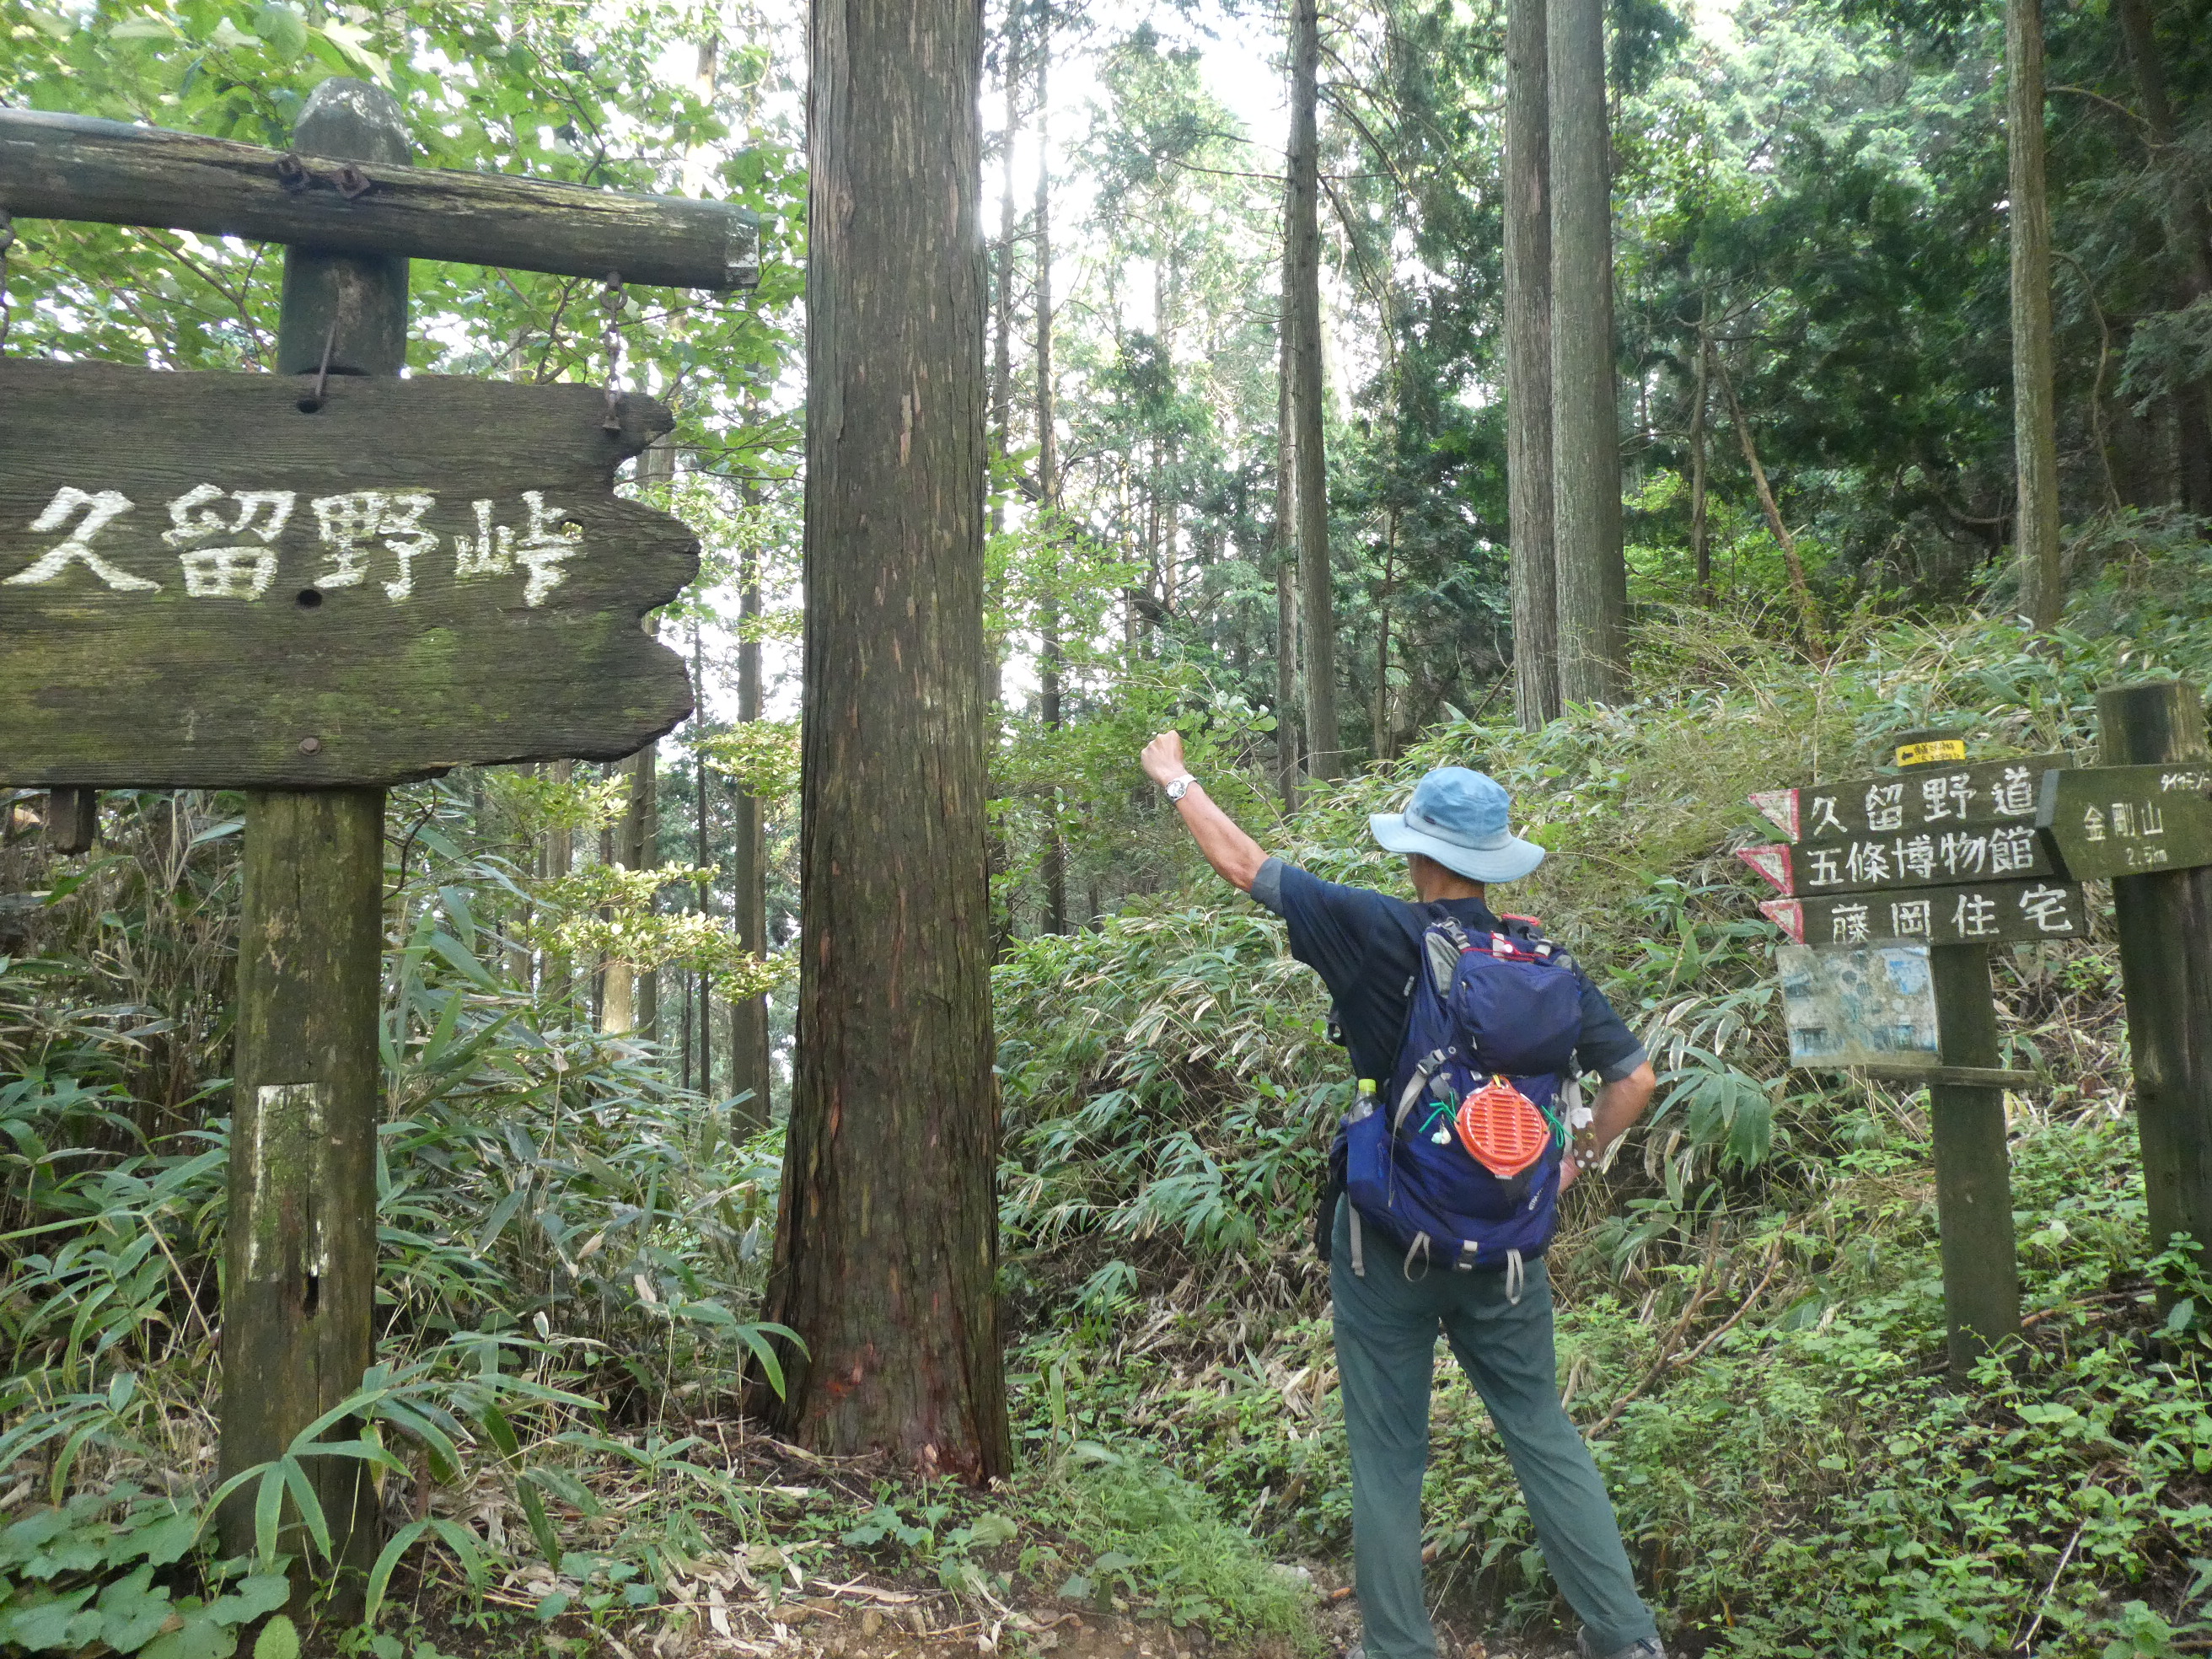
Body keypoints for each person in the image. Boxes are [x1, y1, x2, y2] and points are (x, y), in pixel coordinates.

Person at [1139, 731, 1666, 1659]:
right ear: (1492, 860)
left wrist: (1173, 777)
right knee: (1541, 1431)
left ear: (1415, 853)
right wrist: (1570, 1159)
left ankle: (1397, 1646)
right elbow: (1633, 1080)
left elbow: (1242, 862)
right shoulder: (1542, 963)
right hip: (1507, 1244)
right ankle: (1624, 1637)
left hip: (1388, 1241)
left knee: (1388, 1449)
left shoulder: (1376, 930)